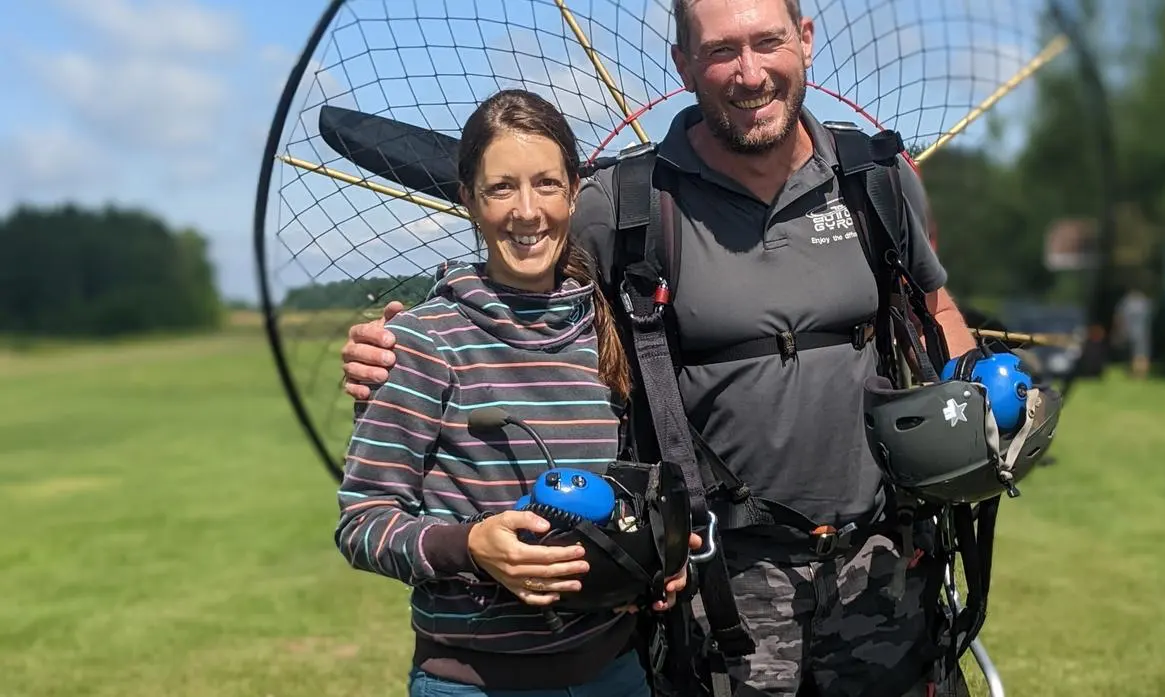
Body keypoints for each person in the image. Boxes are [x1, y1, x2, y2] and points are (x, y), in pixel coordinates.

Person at [340, 1, 980, 695]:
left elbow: (934, 307)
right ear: (683, 64)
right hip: (723, 587)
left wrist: (976, 396)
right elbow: (519, 262)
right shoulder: (624, 203)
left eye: (767, 42)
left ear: (804, 40)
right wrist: (395, 341)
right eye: (720, 50)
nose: (749, 72)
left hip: (883, 570)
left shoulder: (877, 180)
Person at [334, 88, 692, 697]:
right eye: (501, 188)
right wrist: (470, 546)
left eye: (546, 184)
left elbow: (634, 488)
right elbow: (362, 522)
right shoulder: (425, 341)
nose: (527, 211)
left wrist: (663, 545)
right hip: (474, 681)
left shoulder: (614, 332)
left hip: (617, 674)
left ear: (574, 192)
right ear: (469, 201)